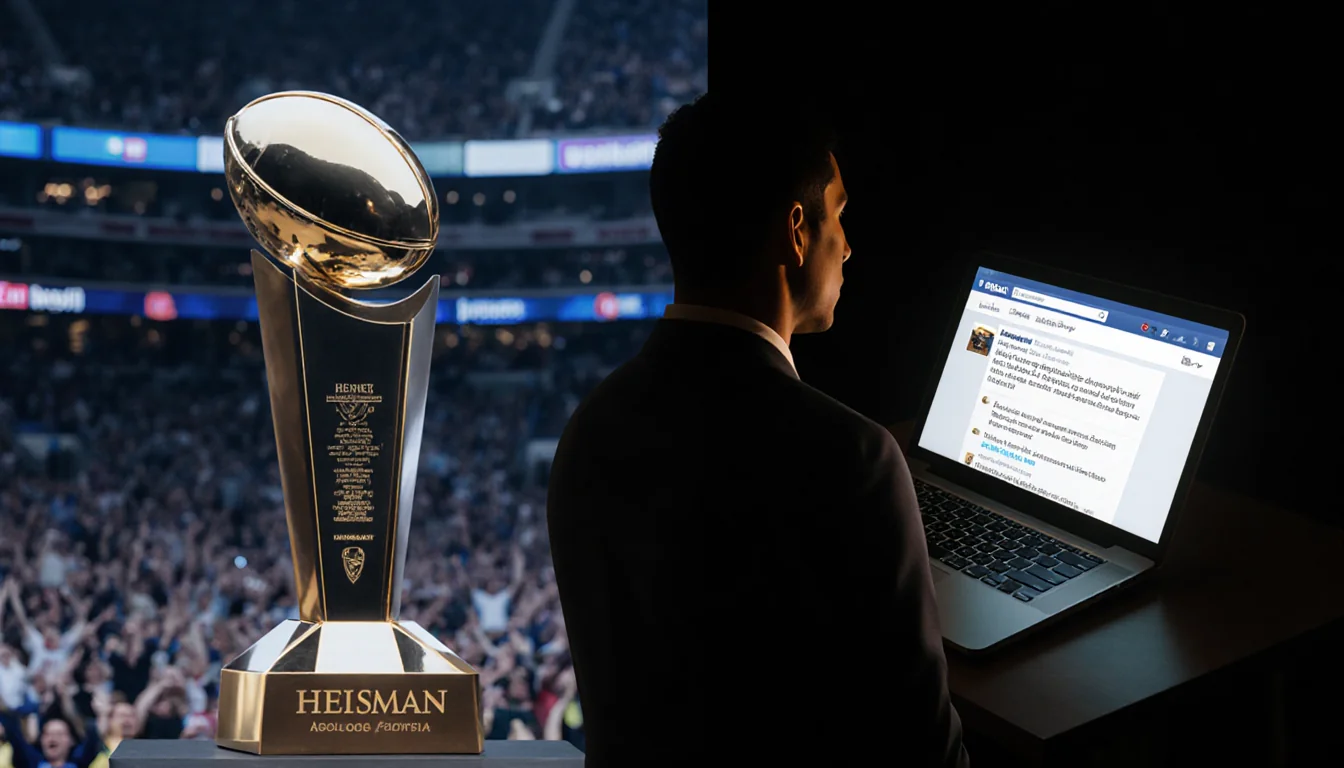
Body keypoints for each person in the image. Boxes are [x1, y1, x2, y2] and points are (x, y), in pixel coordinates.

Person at [547, 91, 969, 767]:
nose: (848, 247)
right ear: (797, 231)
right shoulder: (853, 458)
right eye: (839, 215)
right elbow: (929, 753)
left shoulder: (592, 428)